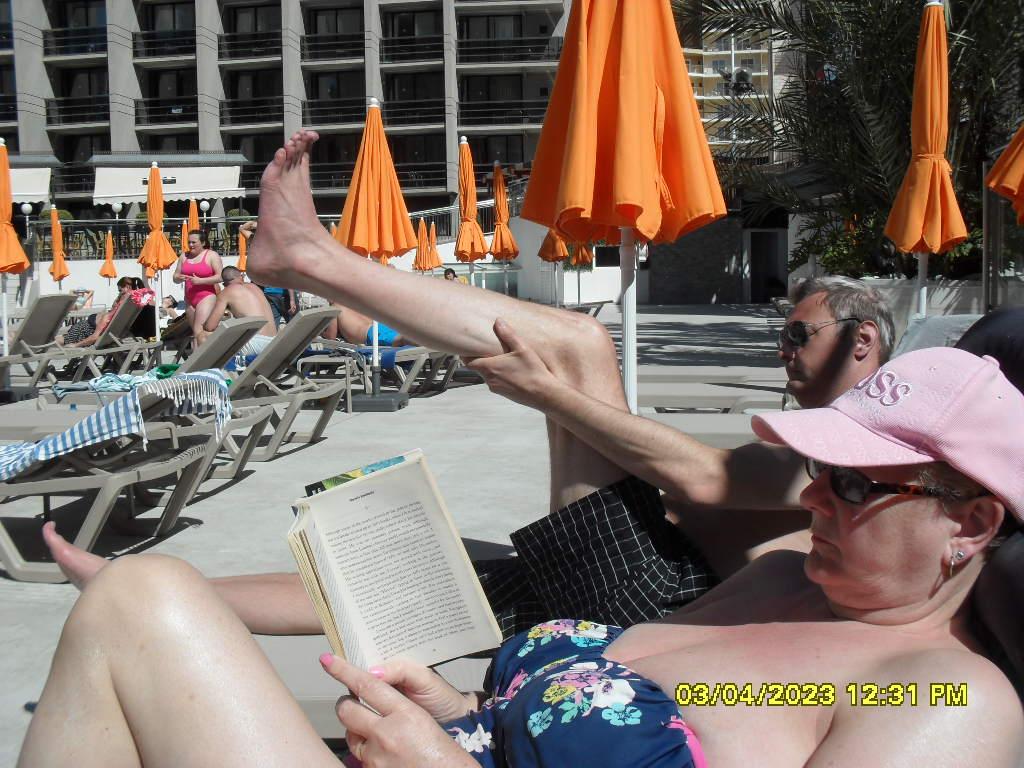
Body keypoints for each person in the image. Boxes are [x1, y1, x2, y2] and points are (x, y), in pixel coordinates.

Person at [26, 349, 1024, 767]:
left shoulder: (941, 699)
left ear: (971, 523)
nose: (810, 497)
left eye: (853, 483)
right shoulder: (778, 580)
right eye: (818, 469)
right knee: (139, 600)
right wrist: (459, 709)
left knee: (141, 603)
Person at [201, 265, 278, 364]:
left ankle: (210, 371)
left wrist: (205, 324)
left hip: (255, 344)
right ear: (241, 276)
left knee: (203, 335)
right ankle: (237, 369)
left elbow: (210, 327)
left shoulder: (227, 292)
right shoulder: (255, 287)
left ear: (224, 284)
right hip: (273, 341)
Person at [240, 219, 297, 326]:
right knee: (295, 325)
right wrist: (292, 299)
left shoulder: (257, 242)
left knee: (272, 325)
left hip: (269, 291)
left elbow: (243, 228)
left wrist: (256, 224)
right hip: (280, 292)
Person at [173, 229, 223, 346]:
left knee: (198, 331)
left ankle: (203, 357)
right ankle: (199, 355)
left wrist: (201, 281)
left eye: (194, 242)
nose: (190, 245)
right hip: (189, 298)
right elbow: (175, 277)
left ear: (203, 243)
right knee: (196, 334)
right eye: (189, 242)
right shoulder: (184, 256)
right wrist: (179, 278)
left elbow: (221, 276)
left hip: (206, 296)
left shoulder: (211, 255)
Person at [322, 302, 413, 347]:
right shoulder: (352, 302)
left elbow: (331, 337)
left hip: (371, 333)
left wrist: (320, 333)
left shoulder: (335, 307)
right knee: (407, 338)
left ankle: (422, 341)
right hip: (380, 326)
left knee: (402, 341)